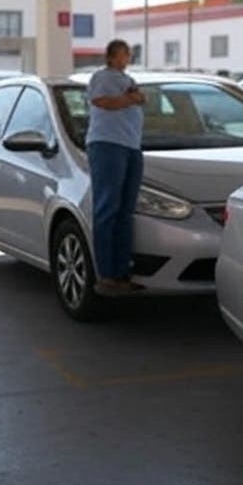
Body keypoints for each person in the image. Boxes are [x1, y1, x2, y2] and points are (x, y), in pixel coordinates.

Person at [87, 39, 146, 296]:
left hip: (131, 145)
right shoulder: (102, 77)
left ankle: (122, 271)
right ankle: (106, 273)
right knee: (107, 208)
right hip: (108, 144)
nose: (126, 59)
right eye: (122, 55)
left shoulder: (127, 79)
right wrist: (132, 98)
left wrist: (135, 97)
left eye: (128, 55)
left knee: (125, 210)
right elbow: (102, 102)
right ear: (110, 57)